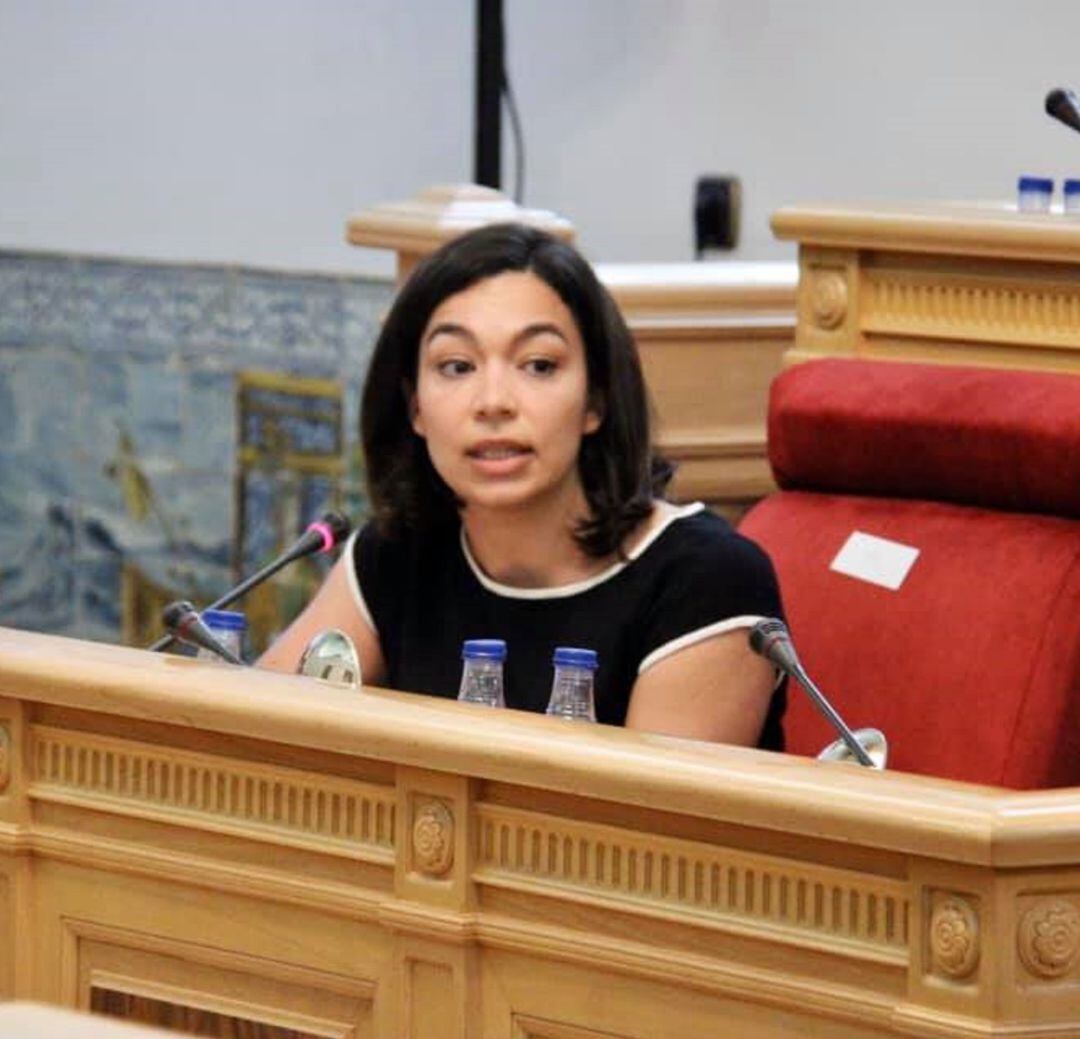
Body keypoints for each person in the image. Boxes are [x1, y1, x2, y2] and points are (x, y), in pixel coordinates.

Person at [260, 223, 785, 749]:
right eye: (456, 366)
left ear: (595, 401)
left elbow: (649, 825)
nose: (493, 402)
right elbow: (247, 739)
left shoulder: (707, 583)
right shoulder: (396, 556)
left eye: (538, 365)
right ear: (415, 406)